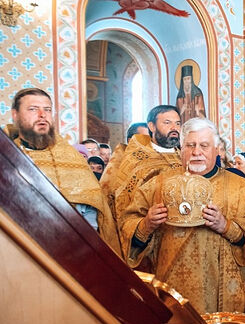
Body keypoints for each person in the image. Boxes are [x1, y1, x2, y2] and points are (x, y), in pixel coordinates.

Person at [119, 118, 245, 314]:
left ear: (217, 149)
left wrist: (226, 226)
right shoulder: (157, 185)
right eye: (190, 145)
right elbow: (127, 224)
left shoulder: (243, 189)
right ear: (181, 148)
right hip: (171, 288)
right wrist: (146, 224)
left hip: (222, 292)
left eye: (204, 145)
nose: (196, 152)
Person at [6, 88, 119, 252]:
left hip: (71, 250)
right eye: (33, 109)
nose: (42, 115)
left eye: (47, 110)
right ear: (15, 115)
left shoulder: (71, 158)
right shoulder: (7, 156)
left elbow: (92, 211)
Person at [110, 106, 183, 235]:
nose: (174, 128)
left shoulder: (186, 156)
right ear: (152, 126)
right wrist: (145, 223)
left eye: (177, 123)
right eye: (167, 123)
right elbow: (124, 203)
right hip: (153, 232)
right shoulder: (136, 159)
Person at [101, 122, 150, 220]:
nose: (150, 143)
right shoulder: (117, 164)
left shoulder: (151, 160)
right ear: (130, 140)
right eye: (145, 139)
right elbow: (107, 195)